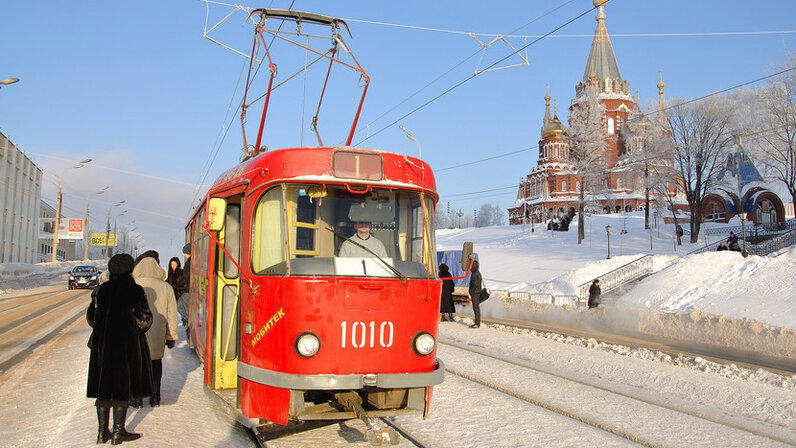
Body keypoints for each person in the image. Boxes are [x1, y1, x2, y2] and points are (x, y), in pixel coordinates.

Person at [86, 253, 153, 445]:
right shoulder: (135, 291)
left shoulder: (102, 290)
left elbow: (92, 320)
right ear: (130, 270)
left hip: (103, 345)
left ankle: (101, 433)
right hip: (126, 346)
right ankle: (118, 432)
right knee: (122, 388)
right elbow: (144, 321)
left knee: (104, 388)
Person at [133, 257, 179, 408]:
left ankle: (137, 398)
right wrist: (171, 335)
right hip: (157, 332)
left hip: (137, 332)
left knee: (137, 364)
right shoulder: (166, 287)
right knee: (155, 363)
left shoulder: (134, 284)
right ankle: (155, 397)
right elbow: (172, 312)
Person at [176, 243, 192, 342]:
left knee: (180, 306)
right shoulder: (192, 261)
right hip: (188, 288)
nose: (184, 255)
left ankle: (189, 321)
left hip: (187, 289)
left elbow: (186, 276)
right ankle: (188, 320)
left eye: (185, 253)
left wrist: (181, 284)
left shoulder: (189, 262)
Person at [468, 259, 483, 328]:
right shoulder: (478, 273)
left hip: (475, 293)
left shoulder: (474, 274)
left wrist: (471, 291)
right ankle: (477, 322)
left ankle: (477, 323)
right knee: (476, 308)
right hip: (477, 292)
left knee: (476, 308)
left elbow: (474, 284)